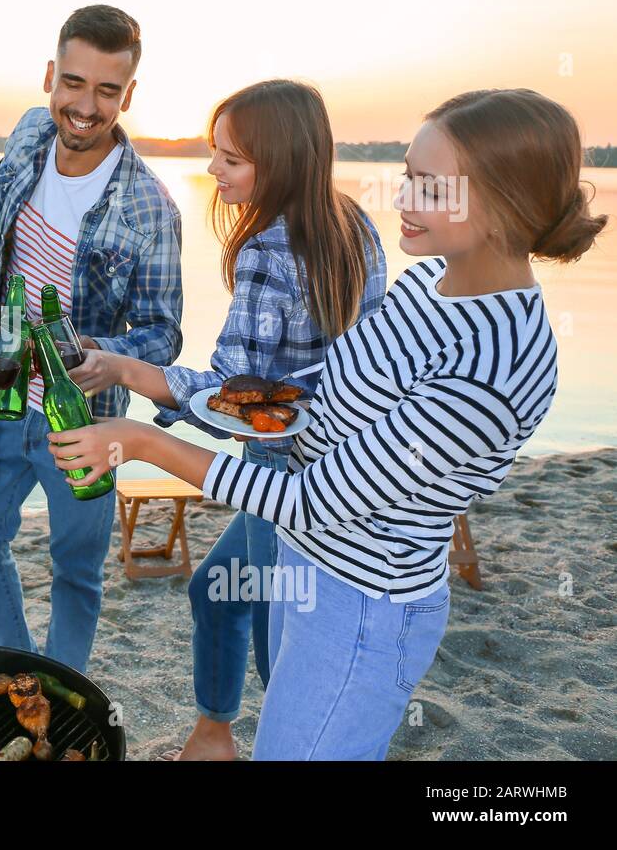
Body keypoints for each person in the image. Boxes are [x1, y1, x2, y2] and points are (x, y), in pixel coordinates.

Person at [47, 88, 606, 758]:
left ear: (502, 205)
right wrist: (140, 376)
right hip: (306, 563)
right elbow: (317, 406)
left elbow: (315, 500)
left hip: (364, 608)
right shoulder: (429, 280)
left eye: (429, 187)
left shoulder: (493, 364)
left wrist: (139, 440)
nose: (401, 200)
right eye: (407, 175)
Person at [91, 80, 388, 759]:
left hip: (280, 471)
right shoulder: (352, 223)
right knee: (217, 591)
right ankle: (214, 732)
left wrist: (122, 369)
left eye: (231, 158)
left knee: (278, 637)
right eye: (215, 154)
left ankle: (275, 742)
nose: (213, 170)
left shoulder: (266, 253)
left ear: (279, 160)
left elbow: (230, 397)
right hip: (344, 461)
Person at [0, 5, 183, 672]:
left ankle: (61, 687)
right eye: (74, 82)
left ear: (129, 95)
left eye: (106, 90)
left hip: (81, 421)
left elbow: (163, 332)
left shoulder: (151, 207)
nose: (85, 106)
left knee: (76, 569)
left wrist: (107, 358)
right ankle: (19, 667)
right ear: (49, 76)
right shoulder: (33, 131)